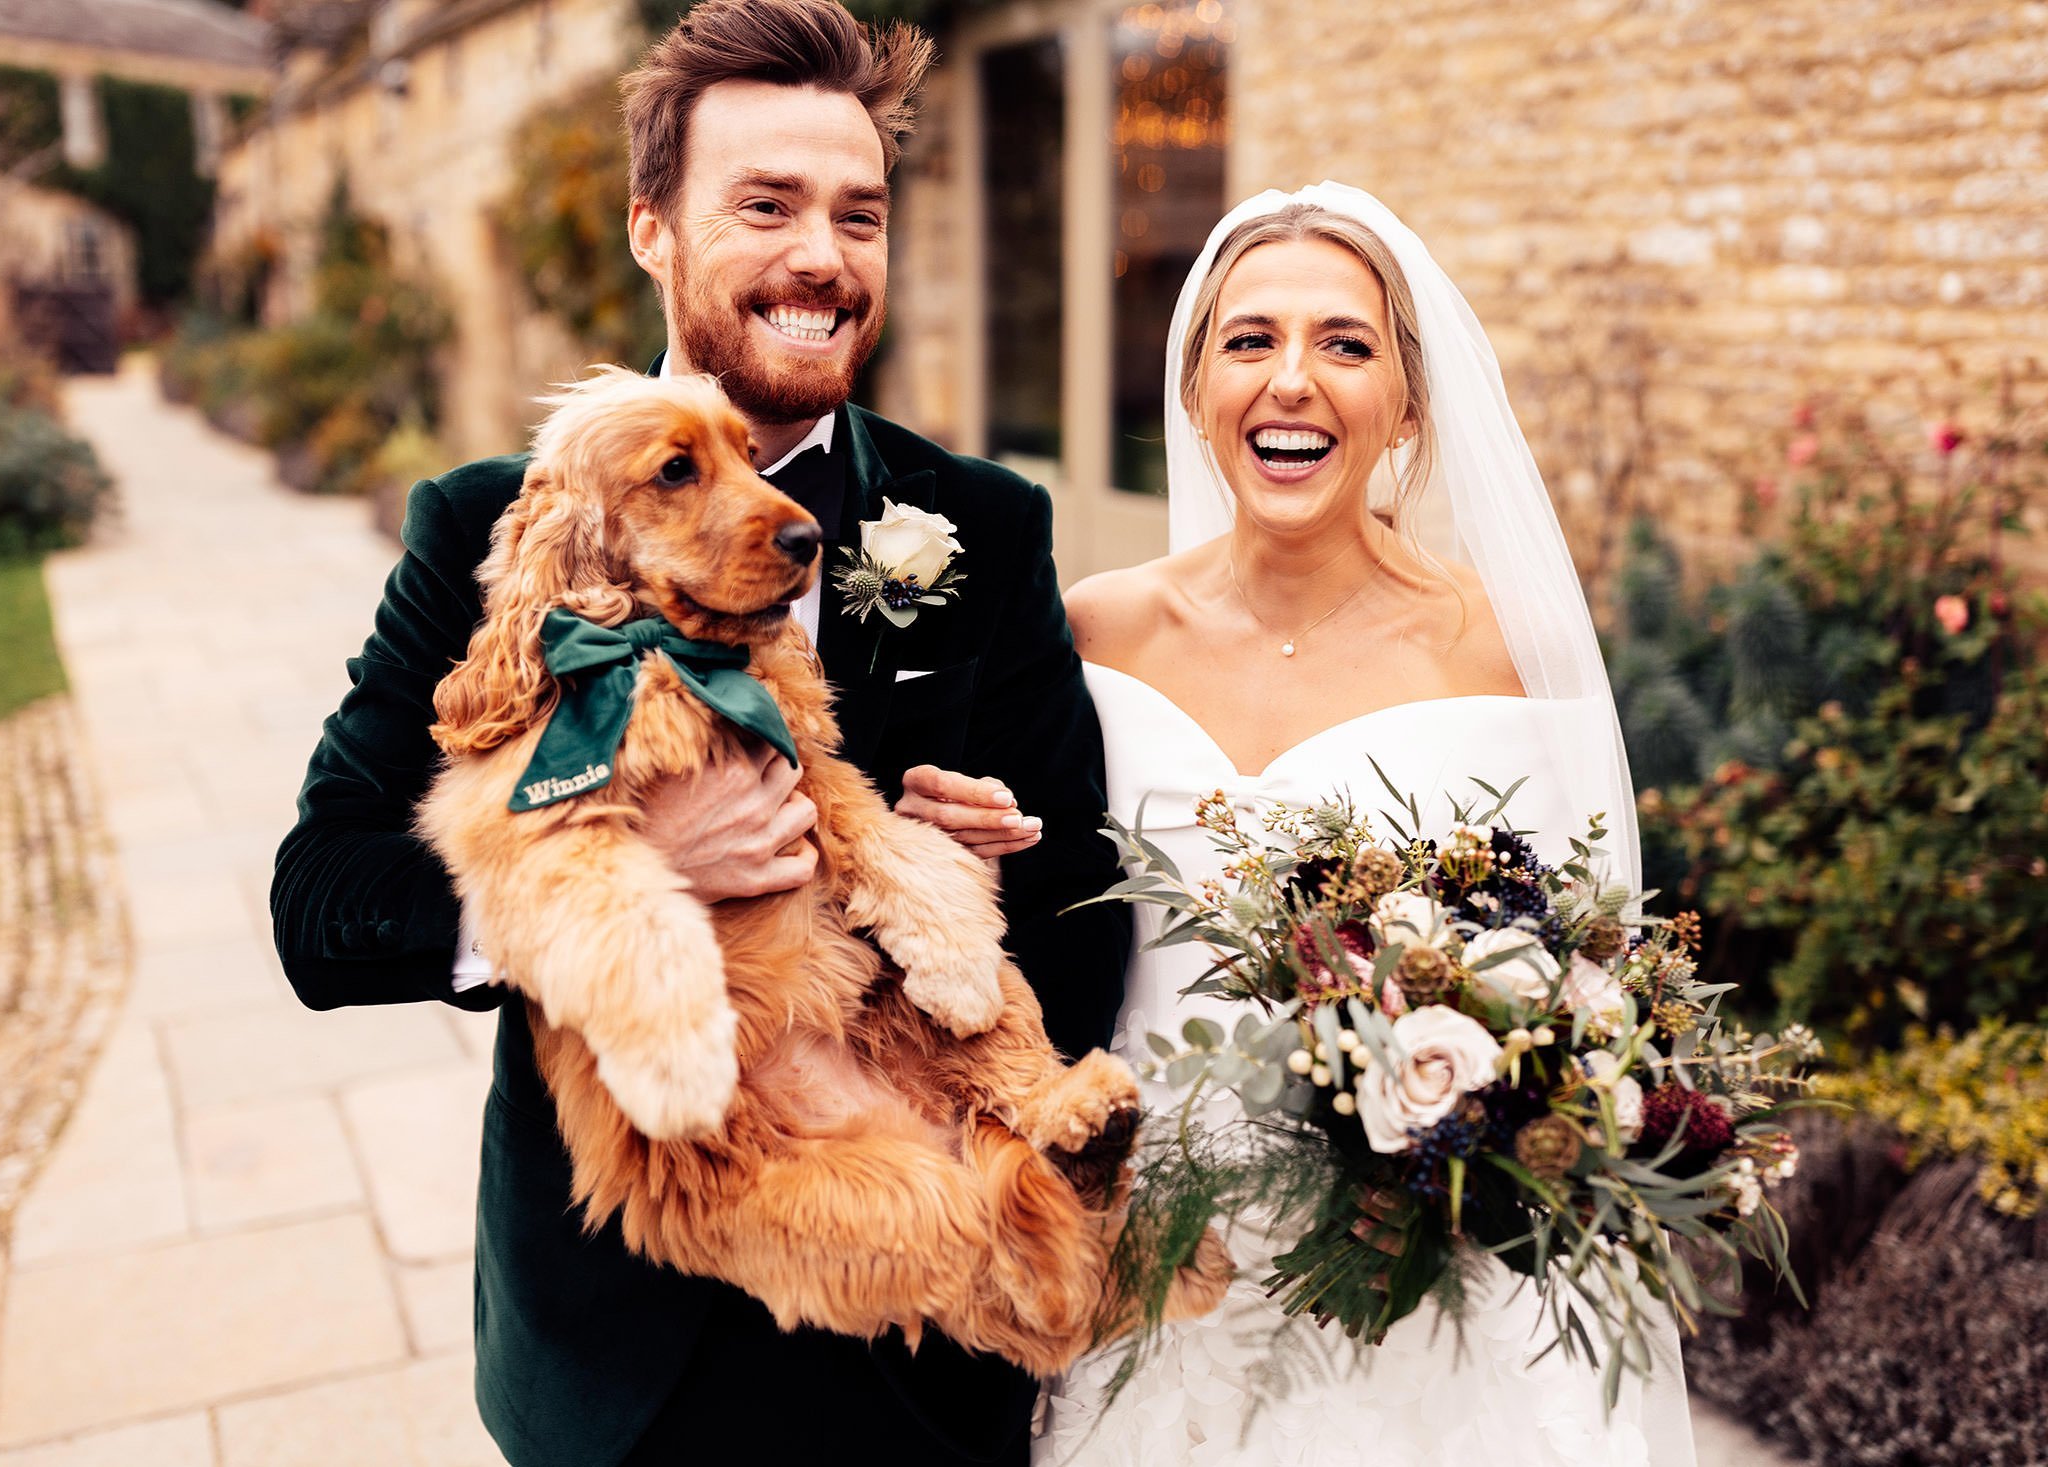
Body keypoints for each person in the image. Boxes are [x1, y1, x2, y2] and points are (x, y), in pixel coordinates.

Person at [267, 4, 1131, 1463]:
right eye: (767, 204)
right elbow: (323, 902)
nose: (824, 256)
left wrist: (993, 864)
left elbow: (1089, 902)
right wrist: (621, 874)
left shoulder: (981, 523)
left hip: (930, 1328)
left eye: (859, 213)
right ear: (651, 229)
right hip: (626, 1353)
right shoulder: (488, 521)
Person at [1032, 184, 1697, 1466]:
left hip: (1429, 1285)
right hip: (1159, 1272)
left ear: (1411, 400)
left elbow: (1594, 986)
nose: (1292, 381)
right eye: (1248, 341)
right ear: (1193, 392)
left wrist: (1479, 1151)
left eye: (1345, 344)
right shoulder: (1094, 630)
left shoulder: (1507, 649)